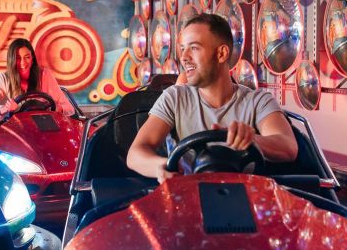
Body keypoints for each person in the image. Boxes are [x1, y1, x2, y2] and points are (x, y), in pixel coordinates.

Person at [127, 13, 298, 183]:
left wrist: (250, 138)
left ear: (221, 54)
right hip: (189, 197)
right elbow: (135, 154)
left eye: (193, 48)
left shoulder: (258, 101)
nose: (184, 57)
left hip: (245, 199)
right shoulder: (175, 98)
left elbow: (288, 147)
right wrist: (160, 166)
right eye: (182, 48)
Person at [0, 38, 73, 121]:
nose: (23, 63)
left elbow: (69, 108)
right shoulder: (1, 78)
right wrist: (5, 108)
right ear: (11, 60)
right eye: (18, 58)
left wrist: (57, 108)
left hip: (42, 127)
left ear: (32, 59)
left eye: (27, 57)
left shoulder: (44, 74)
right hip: (15, 128)